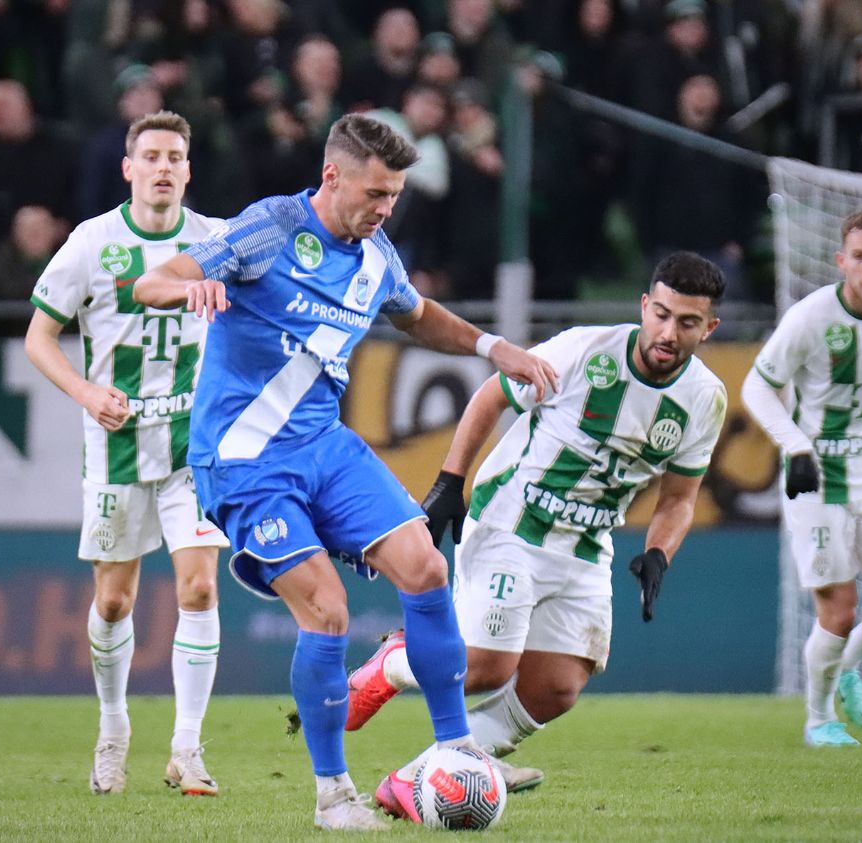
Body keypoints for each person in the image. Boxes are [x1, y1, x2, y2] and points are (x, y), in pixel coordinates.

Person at [132, 113, 558, 831]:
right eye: (375, 193)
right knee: (327, 610)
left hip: (324, 446)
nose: (386, 208)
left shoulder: (376, 256)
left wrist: (493, 346)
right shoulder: (270, 227)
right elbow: (155, 281)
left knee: (426, 567)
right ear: (332, 176)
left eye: (394, 196)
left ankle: (456, 750)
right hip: (245, 460)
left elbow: (417, 315)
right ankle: (334, 795)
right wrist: (190, 289)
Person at [345, 252, 729, 789]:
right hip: (514, 521)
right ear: (645, 306)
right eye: (661, 315)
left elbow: (680, 498)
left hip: (586, 543)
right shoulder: (583, 351)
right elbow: (492, 395)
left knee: (557, 687)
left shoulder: (704, 398)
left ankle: (422, 777)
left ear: (709, 328)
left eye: (687, 323)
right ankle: (392, 663)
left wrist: (659, 553)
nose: (668, 333)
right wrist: (450, 481)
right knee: (486, 667)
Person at [24, 110, 229, 796]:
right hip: (116, 444)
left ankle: (187, 747)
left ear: (188, 171)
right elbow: (38, 338)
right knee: (114, 602)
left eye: (175, 157)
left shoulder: (215, 240)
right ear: (128, 168)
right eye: (152, 156)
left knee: (199, 586)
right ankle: (113, 729)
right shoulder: (92, 243)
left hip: (193, 443)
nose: (163, 167)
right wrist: (87, 393)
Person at [741, 209, 862, 747]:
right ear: (841, 261)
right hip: (819, 478)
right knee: (838, 613)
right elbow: (757, 386)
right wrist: (795, 446)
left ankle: (846, 665)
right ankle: (819, 719)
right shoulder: (810, 318)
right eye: (860, 257)